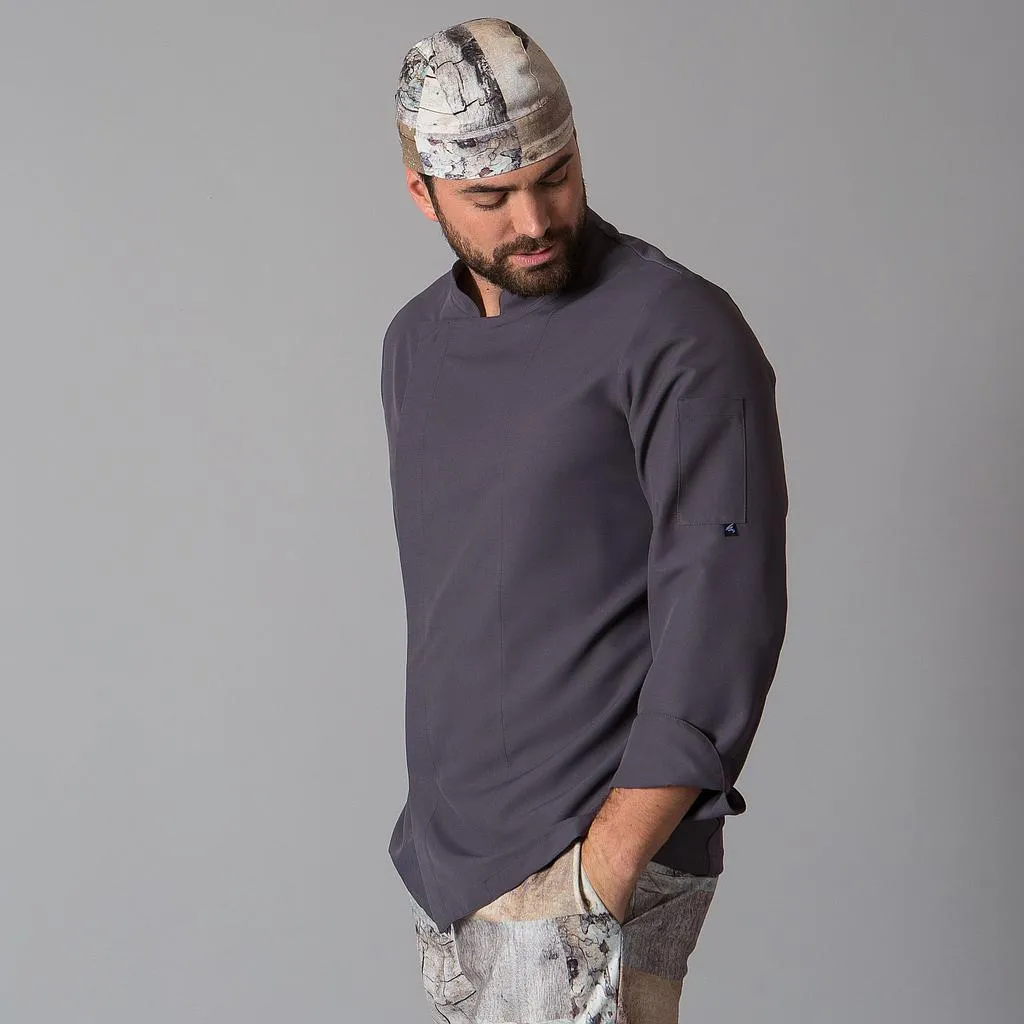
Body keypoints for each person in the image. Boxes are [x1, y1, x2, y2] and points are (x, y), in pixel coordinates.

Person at [382, 17, 789, 1023]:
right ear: (422, 193)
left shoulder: (677, 330)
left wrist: (602, 870)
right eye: (491, 198)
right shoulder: (414, 344)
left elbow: (724, 611)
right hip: (453, 862)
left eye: (554, 176)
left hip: (587, 856)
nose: (533, 219)